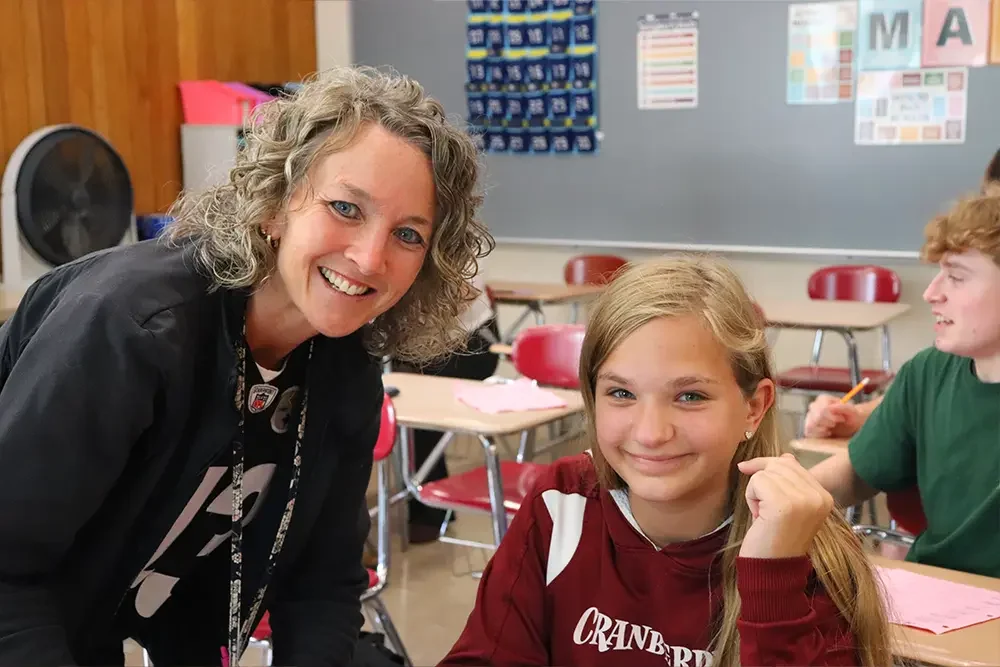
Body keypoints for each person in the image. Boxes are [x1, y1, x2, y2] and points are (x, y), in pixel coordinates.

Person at [0, 66, 491, 666]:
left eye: (409, 235)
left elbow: (322, 582)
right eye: (345, 207)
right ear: (274, 207)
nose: (370, 257)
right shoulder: (131, 327)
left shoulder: (344, 367)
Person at [440, 257, 891, 667]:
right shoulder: (562, 503)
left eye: (690, 396)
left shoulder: (803, 550)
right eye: (621, 393)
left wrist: (771, 576)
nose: (651, 433)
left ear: (754, 408)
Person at [807, 190, 1000, 578]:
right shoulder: (929, 372)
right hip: (939, 591)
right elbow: (858, 471)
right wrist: (783, 495)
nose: (932, 293)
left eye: (957, 277)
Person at [804, 147, 1000, 439]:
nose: (932, 293)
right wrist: (858, 416)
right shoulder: (937, 366)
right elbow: (917, 400)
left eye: (958, 276)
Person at [403, 264, 501, 544]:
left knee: (419, 409)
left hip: (469, 343)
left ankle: (429, 511)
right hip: (418, 344)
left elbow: (462, 294)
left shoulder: (456, 239)